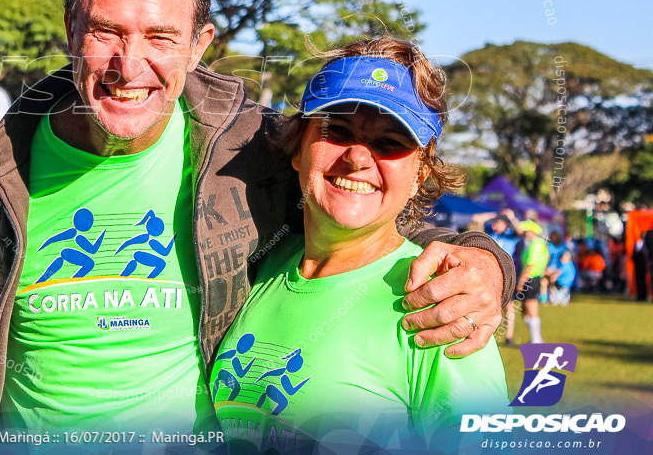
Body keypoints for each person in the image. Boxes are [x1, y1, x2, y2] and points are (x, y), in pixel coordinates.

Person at [0, 0, 515, 435]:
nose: (129, 66)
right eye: (107, 31)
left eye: (160, 37)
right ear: (70, 26)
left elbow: (369, 206)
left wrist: (490, 263)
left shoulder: (244, 152)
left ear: (198, 45)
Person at [210, 38, 507, 452]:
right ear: (298, 147)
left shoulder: (442, 302)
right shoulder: (261, 266)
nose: (357, 158)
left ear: (421, 171)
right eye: (338, 131)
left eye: (389, 142)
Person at [487, 212, 522, 346]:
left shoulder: (511, 236)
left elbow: (520, 231)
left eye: (498, 223)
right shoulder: (491, 235)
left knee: (509, 307)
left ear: (505, 225)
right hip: (492, 275)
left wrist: (512, 217)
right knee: (491, 305)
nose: (495, 225)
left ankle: (509, 336)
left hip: (507, 275)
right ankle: (490, 335)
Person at [518, 221, 550, 343]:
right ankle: (535, 338)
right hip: (532, 278)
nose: (525, 233)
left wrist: (521, 281)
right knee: (526, 309)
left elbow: (530, 265)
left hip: (530, 279)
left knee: (531, 309)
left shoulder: (536, 245)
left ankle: (536, 339)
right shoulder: (538, 244)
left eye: (526, 231)